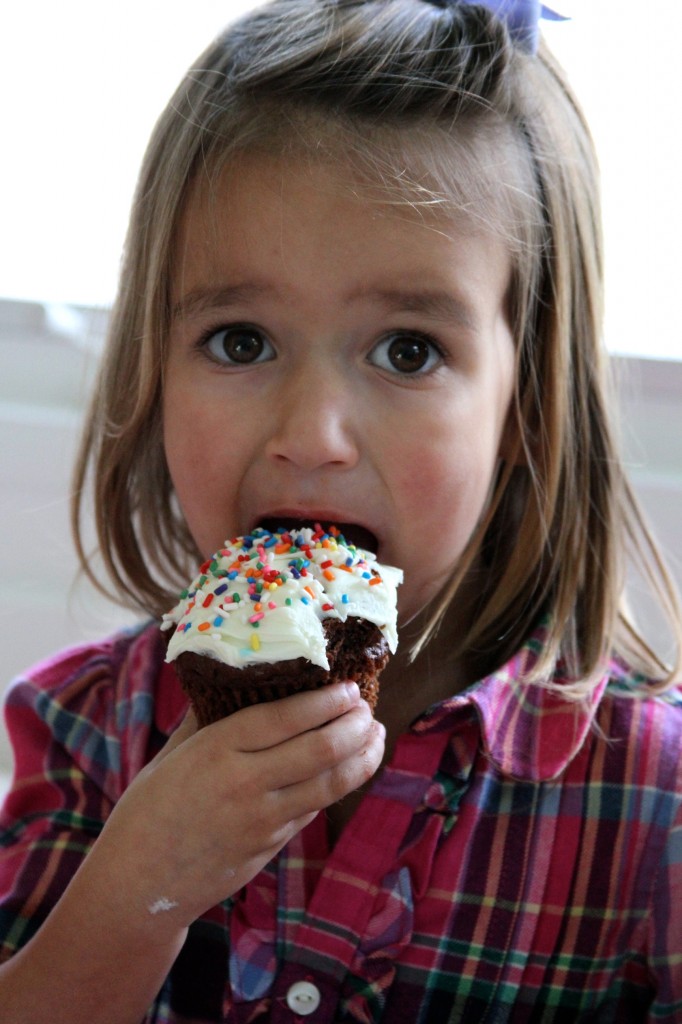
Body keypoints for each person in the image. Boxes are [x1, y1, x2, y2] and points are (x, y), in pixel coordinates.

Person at [0, 0, 680, 1020]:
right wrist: (132, 895)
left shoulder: (651, 800)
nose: (311, 432)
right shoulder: (79, 729)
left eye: (407, 349)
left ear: (525, 406)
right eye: (240, 340)